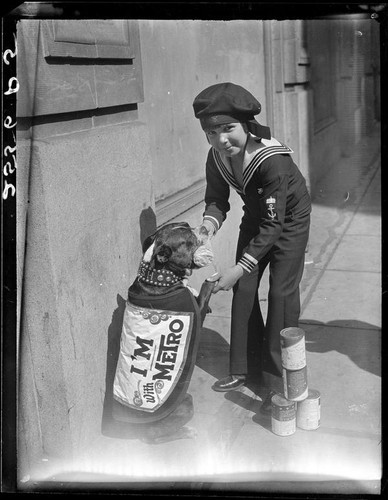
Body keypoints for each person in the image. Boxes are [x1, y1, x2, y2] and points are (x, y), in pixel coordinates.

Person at [192, 82, 311, 413]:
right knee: (244, 289)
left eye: (228, 129)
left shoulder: (272, 159)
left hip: (289, 222)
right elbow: (217, 200)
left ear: (245, 125)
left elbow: (274, 225)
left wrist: (237, 266)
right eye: (211, 132)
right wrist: (207, 227)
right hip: (258, 217)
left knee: (281, 295)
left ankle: (277, 378)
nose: (220, 140)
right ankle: (245, 368)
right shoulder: (217, 157)